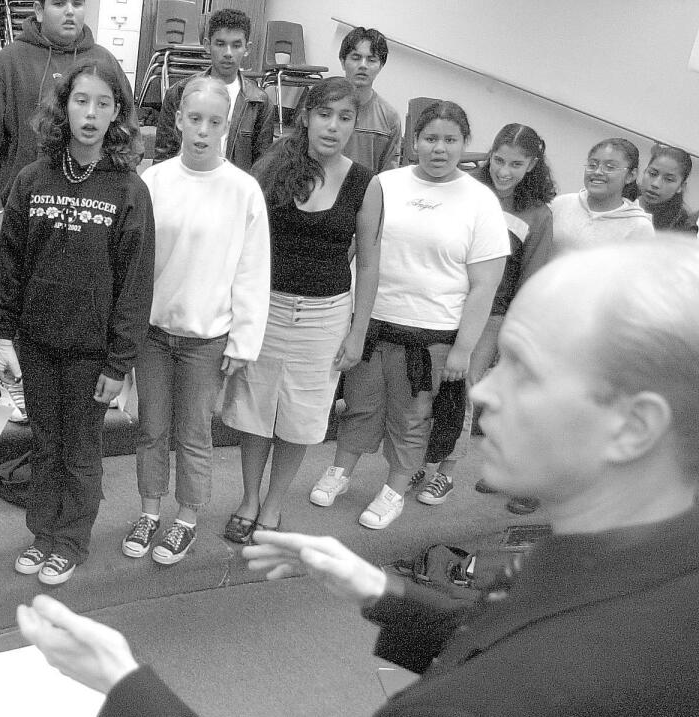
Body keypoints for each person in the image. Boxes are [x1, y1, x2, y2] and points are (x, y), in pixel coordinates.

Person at [19, 237, 699, 717]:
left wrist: (124, 688)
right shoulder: (656, 562)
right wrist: (382, 590)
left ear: (633, 426)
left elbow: (531, 680)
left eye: (523, 368)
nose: (485, 392)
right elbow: (530, 634)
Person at [0, 58, 154, 586]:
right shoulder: (33, 178)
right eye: (81, 100)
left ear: (117, 115)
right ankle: (43, 533)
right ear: (64, 108)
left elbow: (135, 284)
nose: (90, 113)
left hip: (92, 354)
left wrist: (119, 361)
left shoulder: (129, 189)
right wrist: (3, 335)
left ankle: (72, 540)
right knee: (45, 443)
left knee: (81, 450)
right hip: (36, 344)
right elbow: (11, 261)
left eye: (103, 104)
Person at [312, 101, 507, 530]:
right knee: (359, 405)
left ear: (465, 144)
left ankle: (394, 489)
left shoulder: (480, 201)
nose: (439, 149)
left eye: (450, 140)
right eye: (430, 138)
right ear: (414, 141)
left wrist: (464, 349)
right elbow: (355, 249)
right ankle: (340, 471)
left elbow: (485, 285)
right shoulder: (384, 183)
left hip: (432, 335)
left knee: (411, 416)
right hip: (373, 322)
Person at [221, 77, 381, 544]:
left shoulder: (364, 184)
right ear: (306, 116)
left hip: (324, 318)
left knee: (298, 420)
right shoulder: (271, 168)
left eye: (345, 118)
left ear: (354, 125)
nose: (333, 126)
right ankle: (249, 499)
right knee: (254, 414)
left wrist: (358, 332)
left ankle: (273, 506)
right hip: (266, 310)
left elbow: (369, 264)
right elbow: (242, 245)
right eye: (325, 114)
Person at [124, 77, 269, 565]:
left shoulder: (243, 191)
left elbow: (252, 271)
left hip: (207, 339)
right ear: (178, 120)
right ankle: (149, 512)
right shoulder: (154, 181)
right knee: (151, 428)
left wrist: (243, 343)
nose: (202, 131)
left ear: (227, 126)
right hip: (153, 333)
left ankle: (185, 519)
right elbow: (132, 261)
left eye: (214, 122)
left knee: (193, 432)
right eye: (194, 119)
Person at [0, 0, 130, 423]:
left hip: (88, 220)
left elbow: (125, 141)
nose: (70, 12)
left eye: (78, 3)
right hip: (26, 212)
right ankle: (10, 382)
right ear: (38, 10)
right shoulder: (7, 63)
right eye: (59, 3)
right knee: (20, 294)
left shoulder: (104, 62)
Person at [417, 123, 555, 516]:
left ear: (532, 165)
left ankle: (446, 471)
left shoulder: (537, 213)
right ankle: (417, 462)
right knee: (425, 387)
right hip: (442, 305)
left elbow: (532, 278)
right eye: (498, 160)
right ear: (488, 155)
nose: (504, 171)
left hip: (491, 315)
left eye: (516, 163)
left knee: (463, 390)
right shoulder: (464, 190)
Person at [153, 8, 274, 171]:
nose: (228, 53)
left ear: (247, 49)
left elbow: (263, 165)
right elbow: (163, 157)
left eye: (236, 45)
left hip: (234, 189)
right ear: (207, 45)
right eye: (220, 44)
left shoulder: (259, 102)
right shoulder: (180, 92)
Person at [550, 137, 654, 249]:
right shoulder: (560, 204)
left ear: (631, 175)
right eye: (592, 165)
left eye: (610, 167)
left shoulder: (639, 227)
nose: (598, 172)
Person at [338, 27, 401, 174]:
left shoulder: (389, 117)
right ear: (342, 61)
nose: (363, 65)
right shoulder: (324, 108)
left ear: (381, 66)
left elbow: (389, 175)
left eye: (371, 60)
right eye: (355, 57)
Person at [637, 143, 696, 236]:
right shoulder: (622, 198)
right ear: (644, 171)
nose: (655, 184)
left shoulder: (683, 228)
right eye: (652, 173)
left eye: (668, 179)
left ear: (681, 187)